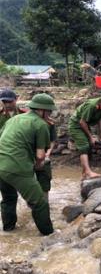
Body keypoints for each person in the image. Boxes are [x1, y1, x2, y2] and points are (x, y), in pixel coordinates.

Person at [0, 93, 57, 235]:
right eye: (49, 111)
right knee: (39, 203)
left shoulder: (14, 119)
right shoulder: (40, 124)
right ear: (42, 110)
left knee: (8, 199)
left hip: (1, 165)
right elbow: (40, 155)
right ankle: (49, 236)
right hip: (17, 167)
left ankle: (8, 231)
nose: (50, 114)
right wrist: (38, 166)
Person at [68, 86, 101, 180]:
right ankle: (88, 172)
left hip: (84, 124)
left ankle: (84, 174)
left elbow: (100, 120)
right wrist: (91, 137)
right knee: (84, 146)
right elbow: (82, 121)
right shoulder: (92, 105)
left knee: (89, 147)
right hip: (76, 125)